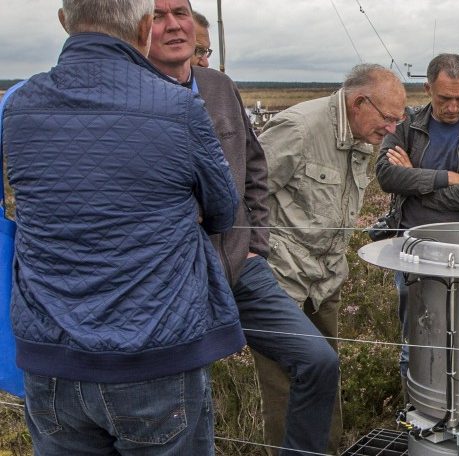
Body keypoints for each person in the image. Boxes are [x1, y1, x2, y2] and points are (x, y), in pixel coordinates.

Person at [4, 0, 243, 454]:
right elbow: (223, 209)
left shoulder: (19, 106)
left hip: (50, 357)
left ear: (64, 22)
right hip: (155, 353)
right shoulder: (177, 107)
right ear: (143, 26)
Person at [146, 1, 341, 454]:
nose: (174, 25)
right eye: (157, 15)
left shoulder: (218, 87)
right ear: (137, 27)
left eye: (180, 12)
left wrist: (255, 243)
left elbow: (255, 167)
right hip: (172, 278)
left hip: (237, 264)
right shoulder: (133, 95)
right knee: (185, 398)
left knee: (317, 360)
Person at [257, 64, 406, 454]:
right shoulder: (299, 128)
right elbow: (244, 193)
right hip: (279, 283)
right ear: (359, 102)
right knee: (286, 390)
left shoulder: (363, 133)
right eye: (388, 118)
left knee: (326, 376)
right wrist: (250, 271)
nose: (392, 128)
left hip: (326, 279)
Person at [375, 53, 459, 376]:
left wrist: (415, 179)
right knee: (415, 339)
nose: (454, 107)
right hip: (411, 250)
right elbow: (386, 175)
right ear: (427, 89)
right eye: (445, 98)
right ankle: (414, 410)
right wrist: (443, 178)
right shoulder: (406, 125)